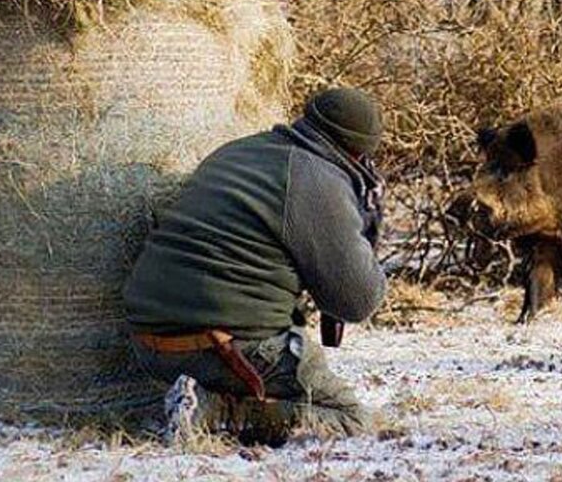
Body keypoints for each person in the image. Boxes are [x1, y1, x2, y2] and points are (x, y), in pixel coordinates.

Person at [122, 87, 388, 446]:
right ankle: (213, 412)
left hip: (147, 344)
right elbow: (357, 301)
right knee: (349, 419)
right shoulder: (318, 179)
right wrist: (366, 225)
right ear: (358, 152)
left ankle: (196, 397)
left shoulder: (239, 150)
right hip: (225, 348)